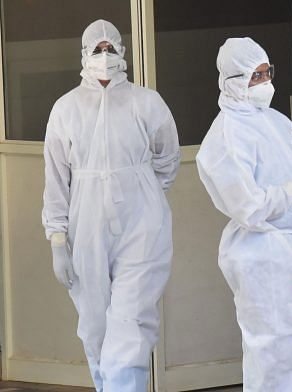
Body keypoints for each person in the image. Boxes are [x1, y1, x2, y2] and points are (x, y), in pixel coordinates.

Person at [42, 19, 180, 392]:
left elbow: (168, 159)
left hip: (141, 226)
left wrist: (145, 194)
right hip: (85, 226)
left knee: (130, 322)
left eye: (111, 48)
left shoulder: (145, 102)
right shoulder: (66, 109)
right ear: (85, 55)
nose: (105, 56)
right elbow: (56, 179)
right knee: (95, 327)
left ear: (122, 51)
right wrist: (57, 239)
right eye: (97, 49)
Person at [196, 37, 292, 391]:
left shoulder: (272, 121)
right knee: (275, 353)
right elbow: (249, 206)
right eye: (254, 76)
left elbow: (281, 182)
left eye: (266, 73)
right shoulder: (226, 135)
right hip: (262, 253)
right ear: (232, 82)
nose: (264, 83)